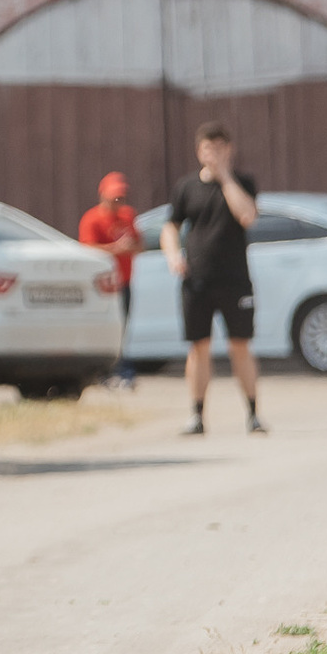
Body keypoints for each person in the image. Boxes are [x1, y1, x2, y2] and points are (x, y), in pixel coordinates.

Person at [162, 122, 263, 436]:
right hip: (197, 281)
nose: (213, 154)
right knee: (199, 347)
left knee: (240, 346)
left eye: (219, 148)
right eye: (208, 148)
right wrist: (172, 255)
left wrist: (225, 177)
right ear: (198, 151)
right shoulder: (186, 187)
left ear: (229, 150)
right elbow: (170, 226)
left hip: (234, 280)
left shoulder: (243, 182)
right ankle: (197, 415)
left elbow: (247, 216)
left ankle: (253, 413)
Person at [79, 172, 141, 389]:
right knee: (104, 327)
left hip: (124, 282)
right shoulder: (92, 218)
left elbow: (138, 244)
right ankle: (103, 371)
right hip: (102, 287)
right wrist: (116, 249)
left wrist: (128, 247)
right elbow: (88, 249)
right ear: (102, 195)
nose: (118, 203)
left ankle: (121, 369)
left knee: (122, 327)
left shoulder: (128, 216)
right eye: (114, 198)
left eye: (121, 198)